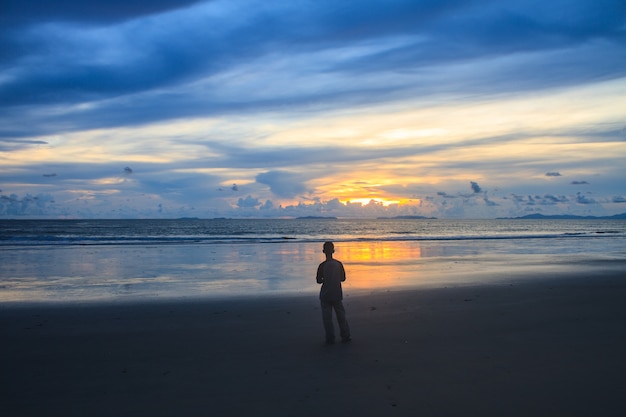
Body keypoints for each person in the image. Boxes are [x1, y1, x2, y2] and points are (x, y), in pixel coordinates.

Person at [316, 241, 351, 344]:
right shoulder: (338, 264)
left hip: (325, 295)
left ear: (323, 251)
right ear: (333, 251)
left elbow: (318, 280)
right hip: (336, 293)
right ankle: (345, 335)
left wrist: (325, 279)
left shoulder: (322, 265)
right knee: (341, 316)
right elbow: (343, 278)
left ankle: (330, 338)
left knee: (327, 318)